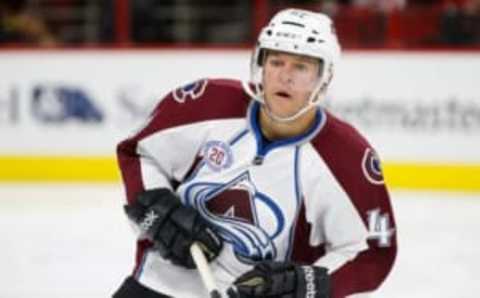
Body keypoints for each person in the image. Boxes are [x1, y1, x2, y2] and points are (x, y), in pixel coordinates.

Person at [113, 8, 397, 298]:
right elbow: (137, 152)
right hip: (159, 285)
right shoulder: (205, 103)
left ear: (323, 78)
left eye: (301, 67)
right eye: (276, 62)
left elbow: (373, 254)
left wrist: (304, 282)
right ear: (260, 64)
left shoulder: (347, 159)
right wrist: (158, 211)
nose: (285, 76)